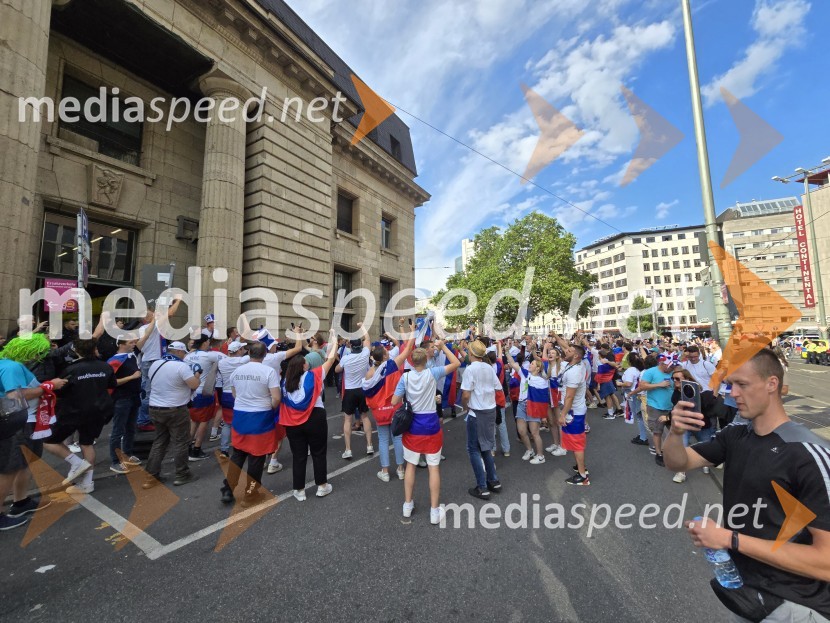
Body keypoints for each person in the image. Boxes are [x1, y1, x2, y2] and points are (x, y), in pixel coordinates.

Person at [665, 349, 830, 622]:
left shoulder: (807, 453)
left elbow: (825, 562)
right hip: (748, 595)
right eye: (730, 384)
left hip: (795, 605)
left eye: (742, 384)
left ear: (772, 384)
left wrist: (729, 539)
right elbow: (678, 462)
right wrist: (676, 431)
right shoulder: (735, 435)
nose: (732, 393)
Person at [392, 340, 459, 525]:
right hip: (431, 426)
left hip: (413, 426)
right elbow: (456, 363)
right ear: (425, 360)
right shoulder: (432, 372)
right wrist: (443, 346)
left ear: (412, 362)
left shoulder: (405, 378)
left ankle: (407, 505)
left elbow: (394, 400)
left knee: (411, 465)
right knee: (434, 467)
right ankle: (434, 511)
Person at [43, 338, 117, 494]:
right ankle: (87, 483)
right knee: (87, 443)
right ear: (94, 348)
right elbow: (111, 384)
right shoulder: (105, 366)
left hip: (74, 411)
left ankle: (76, 463)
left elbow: (60, 389)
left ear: (76, 350)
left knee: (49, 441)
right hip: (98, 410)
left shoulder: (71, 369)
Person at [0, 360, 66, 530]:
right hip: (16, 423)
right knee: (9, 469)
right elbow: (14, 398)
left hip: (20, 421)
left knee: (23, 463)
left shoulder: (8, 365)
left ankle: (21, 502)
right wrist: (48, 386)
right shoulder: (10, 367)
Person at [220, 342, 281, 507]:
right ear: (264, 355)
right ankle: (250, 494)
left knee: (238, 455)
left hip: (240, 415)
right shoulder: (268, 371)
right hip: (260, 416)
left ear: (249, 353)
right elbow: (276, 398)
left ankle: (228, 489)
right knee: (257, 457)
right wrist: (269, 407)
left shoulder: (237, 371)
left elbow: (234, 393)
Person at [280, 329, 338, 501]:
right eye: (305, 362)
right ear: (303, 366)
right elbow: (331, 358)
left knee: (298, 456)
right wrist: (333, 339)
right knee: (318, 452)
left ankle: (299, 490)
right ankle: (321, 486)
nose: (307, 363)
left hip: (292, 422)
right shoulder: (314, 375)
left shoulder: (285, 383)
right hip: (314, 417)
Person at [142, 341, 201, 489]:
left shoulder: (155, 364)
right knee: (180, 442)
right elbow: (194, 385)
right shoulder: (181, 367)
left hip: (155, 408)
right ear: (180, 352)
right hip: (176, 409)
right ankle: (182, 474)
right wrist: (198, 374)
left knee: (160, 441)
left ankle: (151, 476)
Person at [362, 321, 413, 482]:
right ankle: (400, 469)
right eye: (386, 351)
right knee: (397, 437)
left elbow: (368, 393)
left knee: (383, 440)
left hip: (379, 411)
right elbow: (408, 349)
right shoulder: (392, 365)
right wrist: (411, 332)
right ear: (385, 356)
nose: (388, 352)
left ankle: (384, 471)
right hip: (394, 407)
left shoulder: (370, 373)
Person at [460, 339, 503, 499]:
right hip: (489, 410)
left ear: (471, 353)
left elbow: (465, 394)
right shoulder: (489, 367)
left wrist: (466, 405)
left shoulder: (470, 369)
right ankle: (493, 480)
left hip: (476, 412)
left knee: (473, 449)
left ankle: (482, 486)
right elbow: (497, 387)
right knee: (486, 447)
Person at [136, 296, 183, 431]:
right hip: (152, 362)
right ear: (146, 319)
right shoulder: (150, 327)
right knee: (149, 392)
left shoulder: (148, 327)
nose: (156, 316)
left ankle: (145, 418)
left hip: (149, 362)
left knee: (149, 391)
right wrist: (178, 300)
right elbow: (170, 314)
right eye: (152, 315)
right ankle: (143, 420)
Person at [505, 340, 548, 464]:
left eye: (533, 363)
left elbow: (543, 398)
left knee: (535, 433)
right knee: (522, 432)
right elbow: (513, 363)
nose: (530, 364)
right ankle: (530, 450)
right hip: (521, 405)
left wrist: (544, 415)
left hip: (533, 406)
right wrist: (506, 351)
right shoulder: (524, 374)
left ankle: (540, 456)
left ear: (538, 368)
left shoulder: (542, 381)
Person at [184, 335, 224, 461]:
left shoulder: (187, 356)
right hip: (203, 392)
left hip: (190, 392)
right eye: (208, 341)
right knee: (204, 421)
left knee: (193, 421)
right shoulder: (209, 355)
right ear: (205, 342)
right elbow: (229, 358)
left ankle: (188, 448)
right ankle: (196, 449)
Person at [107, 335, 143, 474]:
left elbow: (144, 338)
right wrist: (132, 377)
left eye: (134, 342)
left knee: (131, 428)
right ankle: (115, 461)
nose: (134, 344)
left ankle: (127, 454)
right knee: (118, 430)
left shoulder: (131, 355)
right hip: (122, 399)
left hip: (134, 397)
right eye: (131, 342)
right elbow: (112, 382)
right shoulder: (114, 360)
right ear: (121, 345)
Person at [335, 323, 372, 459]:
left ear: (350, 346)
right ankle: (369, 446)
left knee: (348, 420)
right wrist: (363, 326)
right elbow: (367, 339)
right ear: (360, 345)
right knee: (365, 416)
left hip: (350, 391)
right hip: (362, 390)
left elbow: (337, 369)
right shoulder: (365, 354)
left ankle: (348, 449)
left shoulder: (345, 358)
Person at [557, 340, 590, 485]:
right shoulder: (576, 363)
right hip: (573, 410)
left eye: (569, 351)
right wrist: (556, 337)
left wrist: (563, 414)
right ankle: (580, 466)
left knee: (576, 444)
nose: (565, 351)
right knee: (574, 442)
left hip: (573, 412)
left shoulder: (576, 371)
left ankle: (583, 477)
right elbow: (570, 348)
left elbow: (570, 396)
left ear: (576, 356)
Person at [638, 353, 676, 467]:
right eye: (670, 367)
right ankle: (659, 454)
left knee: (674, 431)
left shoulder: (673, 372)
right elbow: (642, 386)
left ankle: (670, 451)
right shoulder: (650, 372)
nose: (671, 369)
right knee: (657, 431)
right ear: (662, 363)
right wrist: (659, 384)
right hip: (655, 406)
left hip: (671, 406)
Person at [217, 341, 250, 459]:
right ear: (239, 350)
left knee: (227, 423)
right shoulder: (242, 361)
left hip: (225, 394)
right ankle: (241, 446)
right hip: (239, 394)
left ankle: (224, 449)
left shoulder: (221, 362)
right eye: (242, 348)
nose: (244, 350)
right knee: (242, 422)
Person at [619, 352, 648, 447]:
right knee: (640, 416)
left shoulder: (631, 370)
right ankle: (642, 434)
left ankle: (643, 437)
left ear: (628, 361)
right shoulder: (640, 368)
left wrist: (619, 384)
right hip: (637, 393)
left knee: (639, 417)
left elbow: (628, 383)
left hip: (633, 394)